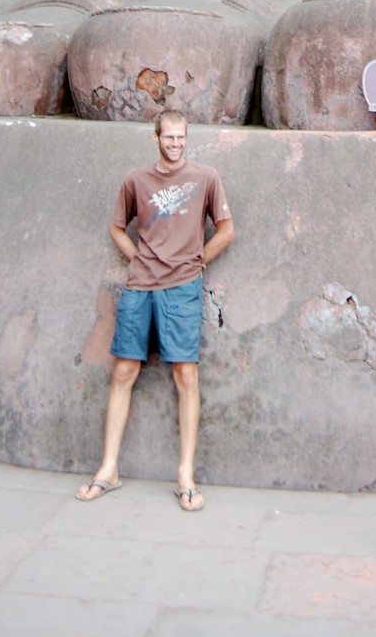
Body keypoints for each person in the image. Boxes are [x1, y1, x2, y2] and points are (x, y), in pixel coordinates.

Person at [76, 108, 235, 509]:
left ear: (187, 138)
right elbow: (116, 226)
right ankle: (108, 469)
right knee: (125, 370)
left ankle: (186, 475)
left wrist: (198, 260)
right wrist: (136, 258)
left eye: (181, 138)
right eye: (169, 138)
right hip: (140, 287)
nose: (176, 144)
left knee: (186, 375)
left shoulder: (205, 178)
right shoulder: (136, 180)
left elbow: (227, 230)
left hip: (182, 288)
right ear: (156, 138)